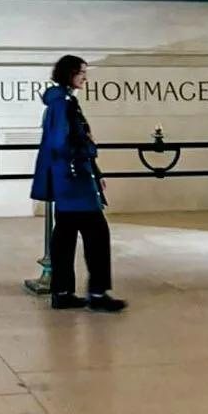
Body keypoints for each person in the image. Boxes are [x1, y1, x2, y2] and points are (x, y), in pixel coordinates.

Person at [31, 55, 127, 312]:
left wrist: (95, 170)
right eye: (81, 72)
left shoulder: (59, 102)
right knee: (97, 233)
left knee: (64, 235)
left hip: (68, 178)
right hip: (75, 180)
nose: (85, 77)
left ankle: (62, 292)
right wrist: (89, 146)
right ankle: (97, 294)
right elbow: (63, 142)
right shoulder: (64, 103)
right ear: (70, 74)